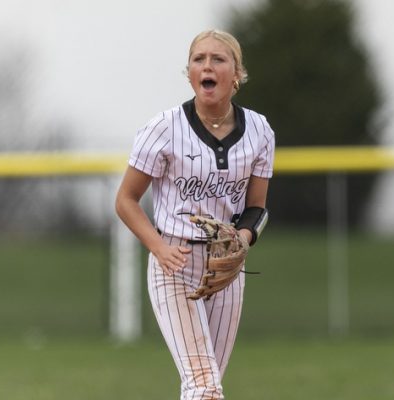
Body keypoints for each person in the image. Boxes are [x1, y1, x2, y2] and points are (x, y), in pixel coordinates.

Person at [115, 29, 275, 399]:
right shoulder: (165, 128)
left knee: (204, 385)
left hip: (226, 268)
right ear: (189, 73)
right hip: (175, 260)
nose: (207, 65)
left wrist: (242, 240)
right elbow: (126, 200)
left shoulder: (259, 131)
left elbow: (257, 208)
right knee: (205, 385)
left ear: (236, 74)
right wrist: (158, 248)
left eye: (218, 59)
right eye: (199, 59)